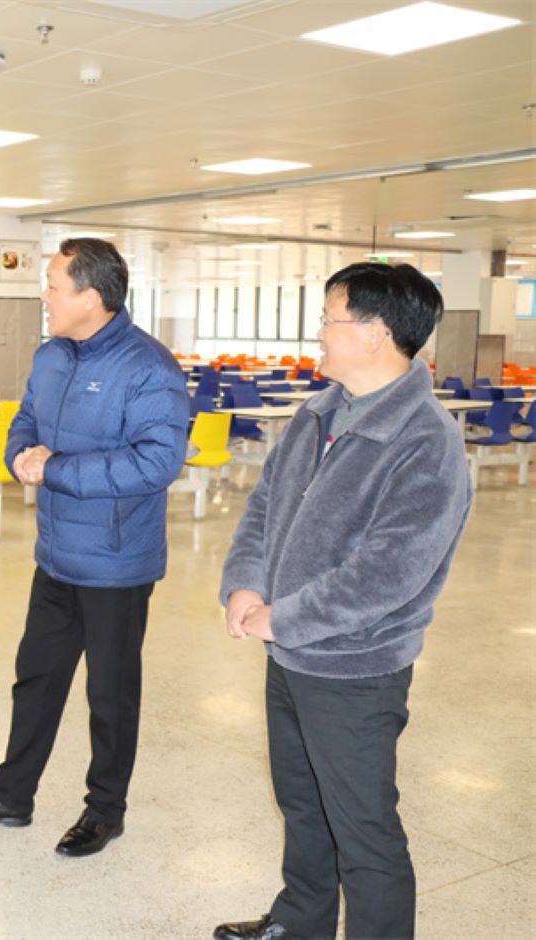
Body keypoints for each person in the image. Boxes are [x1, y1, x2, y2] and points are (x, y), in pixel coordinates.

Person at [213, 263, 471, 940]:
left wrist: (287, 616)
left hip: (354, 668)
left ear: (374, 333)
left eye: (329, 319)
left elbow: (390, 571)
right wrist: (246, 583)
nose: (319, 333)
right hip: (289, 654)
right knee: (302, 804)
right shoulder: (317, 412)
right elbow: (264, 505)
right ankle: (301, 922)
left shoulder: (425, 439)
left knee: (362, 829)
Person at [0, 238, 188, 856]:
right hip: (55, 555)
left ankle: (105, 811)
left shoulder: (148, 368)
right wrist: (20, 455)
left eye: (53, 286)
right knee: (36, 679)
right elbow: (25, 420)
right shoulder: (51, 356)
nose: (43, 297)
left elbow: (158, 463)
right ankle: (11, 795)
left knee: (110, 696)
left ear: (91, 297)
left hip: (116, 565)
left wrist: (56, 469)